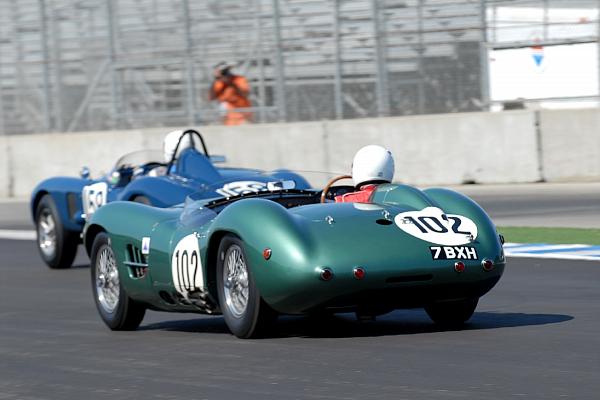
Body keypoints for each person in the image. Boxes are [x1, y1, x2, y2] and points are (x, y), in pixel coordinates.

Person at [209, 61, 253, 125]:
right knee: (223, 104)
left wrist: (231, 83)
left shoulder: (239, 79)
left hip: (243, 117)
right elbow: (211, 98)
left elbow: (245, 94)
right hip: (229, 120)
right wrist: (216, 79)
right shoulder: (219, 83)